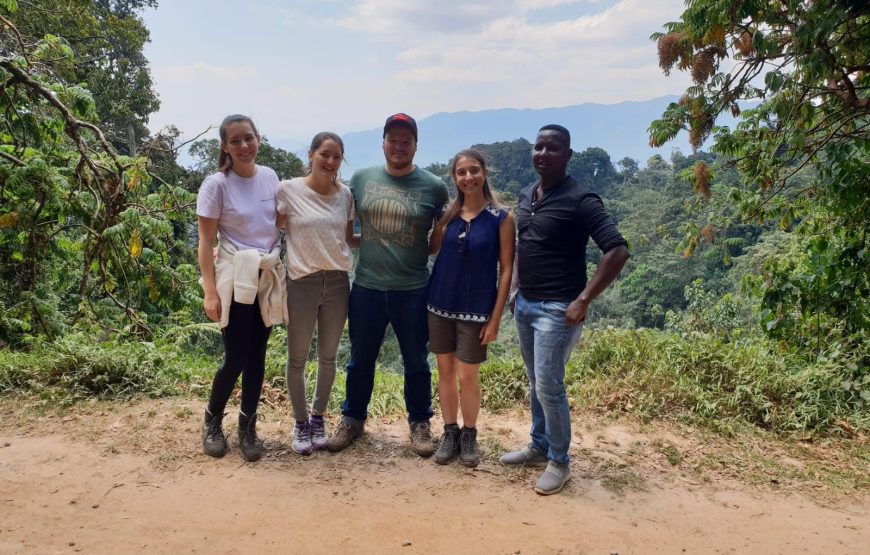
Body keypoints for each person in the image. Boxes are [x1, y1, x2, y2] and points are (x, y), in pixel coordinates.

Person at [501, 124, 629, 495]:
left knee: (549, 386)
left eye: (552, 148)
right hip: (525, 304)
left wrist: (584, 299)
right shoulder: (528, 195)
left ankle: (560, 461)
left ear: (568, 155)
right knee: (536, 381)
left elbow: (617, 250)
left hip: (558, 309)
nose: (543, 153)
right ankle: (539, 447)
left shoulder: (581, 198)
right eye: (538, 147)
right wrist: (514, 290)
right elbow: (525, 247)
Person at [327, 113, 449, 457]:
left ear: (415, 145)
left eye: (405, 141)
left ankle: (420, 424)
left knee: (416, 361)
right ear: (382, 142)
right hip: (366, 286)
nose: (399, 146)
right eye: (392, 140)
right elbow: (346, 226)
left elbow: (437, 240)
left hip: (412, 288)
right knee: (359, 359)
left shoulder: (433, 185)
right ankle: (352, 419)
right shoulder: (361, 179)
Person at [196, 114, 288, 462]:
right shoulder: (216, 184)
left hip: (264, 276)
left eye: (248, 138)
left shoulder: (269, 177)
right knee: (235, 356)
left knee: (258, 357)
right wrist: (210, 291)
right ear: (225, 146)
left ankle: (248, 428)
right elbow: (206, 242)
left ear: (258, 139)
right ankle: (212, 422)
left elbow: (275, 221)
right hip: (234, 278)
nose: (244, 146)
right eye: (235, 141)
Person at [426, 149, 515, 467]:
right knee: (445, 372)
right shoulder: (446, 215)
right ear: (454, 177)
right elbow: (431, 251)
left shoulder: (501, 219)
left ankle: (470, 434)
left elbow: (506, 270)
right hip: (439, 305)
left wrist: (495, 318)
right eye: (461, 172)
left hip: (476, 310)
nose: (468, 177)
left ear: (484, 173)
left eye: (474, 170)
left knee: (468, 376)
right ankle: (449, 433)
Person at [275, 132, 357, 455]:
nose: (330, 161)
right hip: (301, 282)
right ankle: (300, 423)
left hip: (337, 283)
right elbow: (273, 230)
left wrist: (389, 243)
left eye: (336, 156)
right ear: (310, 155)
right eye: (324, 154)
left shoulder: (346, 195)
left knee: (328, 356)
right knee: (297, 358)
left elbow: (350, 239)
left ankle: (318, 417)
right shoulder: (288, 190)